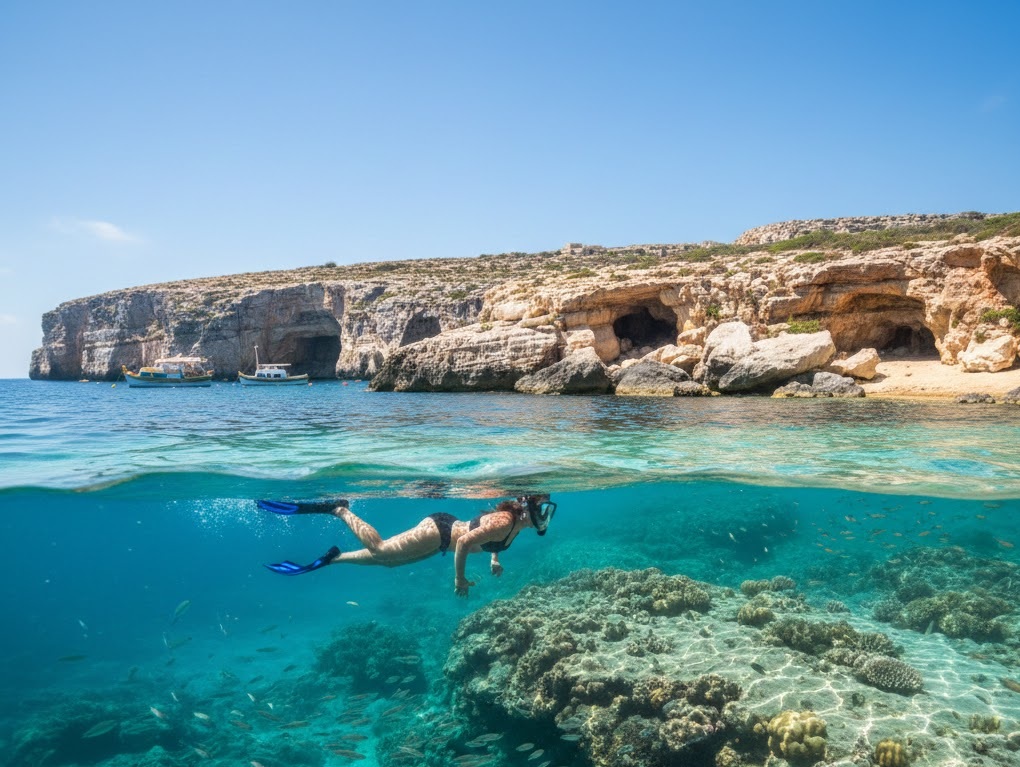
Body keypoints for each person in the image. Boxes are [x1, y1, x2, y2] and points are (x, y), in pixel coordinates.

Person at [255, 495, 556, 597]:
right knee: (382, 551)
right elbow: (465, 540)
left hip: (441, 539)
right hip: (440, 531)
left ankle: (335, 558)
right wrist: (459, 579)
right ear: (528, 507)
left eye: (548, 511)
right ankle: (340, 509)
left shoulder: (517, 525)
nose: (545, 517)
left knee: (392, 562)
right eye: (543, 510)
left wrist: (493, 559)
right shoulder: (507, 521)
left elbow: (486, 538)